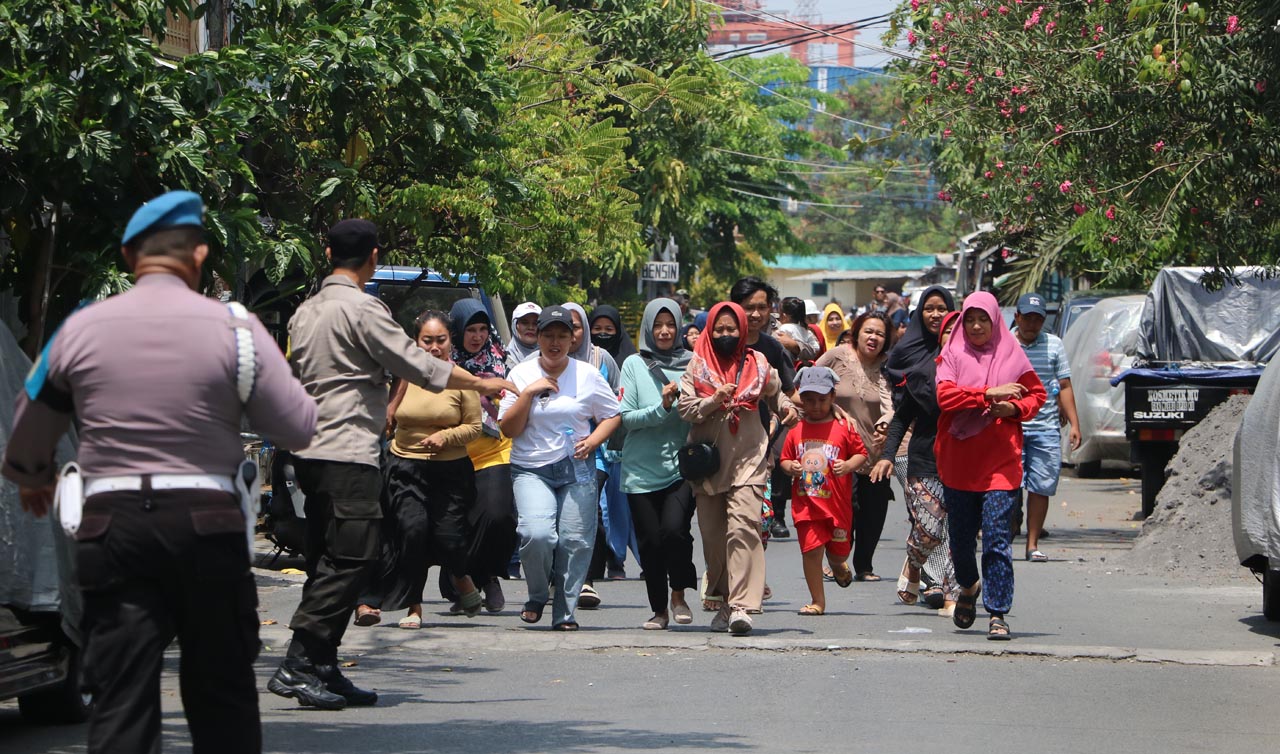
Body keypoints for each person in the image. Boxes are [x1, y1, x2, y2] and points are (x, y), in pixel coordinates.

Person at [2, 190, 317, 752]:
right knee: (222, 699)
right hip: (207, 529)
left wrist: (34, 478)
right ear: (198, 257)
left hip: (111, 531)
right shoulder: (239, 330)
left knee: (122, 701)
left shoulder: (79, 329)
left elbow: (27, 434)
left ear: (128, 257)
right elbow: (296, 427)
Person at [272, 218, 516, 709]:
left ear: (326, 254)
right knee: (355, 556)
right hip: (347, 452)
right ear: (374, 258)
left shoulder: (305, 312)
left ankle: (323, 664)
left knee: (327, 556)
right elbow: (418, 364)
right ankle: (300, 660)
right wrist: (482, 385)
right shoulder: (364, 309)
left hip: (308, 451)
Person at [499, 306, 622, 630]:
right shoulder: (521, 374)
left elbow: (612, 414)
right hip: (531, 468)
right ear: (537, 337)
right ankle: (538, 594)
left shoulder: (587, 374)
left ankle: (564, 613)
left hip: (577, 468)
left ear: (572, 339)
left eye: (562, 336)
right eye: (548, 335)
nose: (555, 342)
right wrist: (528, 393)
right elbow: (508, 429)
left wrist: (594, 441)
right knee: (535, 533)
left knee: (574, 541)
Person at [360, 311, 484, 629]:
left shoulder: (460, 379)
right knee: (411, 532)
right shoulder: (401, 377)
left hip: (451, 472)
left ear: (450, 342)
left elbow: (474, 427)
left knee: (448, 537)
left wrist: (445, 436)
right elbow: (386, 417)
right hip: (404, 467)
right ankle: (413, 606)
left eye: (440, 340)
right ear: (415, 343)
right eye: (426, 341)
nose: (433, 348)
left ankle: (460, 576)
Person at [936, 292, 1046, 640]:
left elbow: (1036, 396)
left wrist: (1014, 409)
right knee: (961, 540)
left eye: (983, 319)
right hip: (959, 464)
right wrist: (987, 394)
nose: (977, 326)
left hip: (1002, 464)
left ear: (996, 320)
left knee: (997, 538)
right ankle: (968, 587)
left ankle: (998, 612)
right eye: (970, 319)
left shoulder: (1012, 353)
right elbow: (945, 397)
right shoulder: (951, 355)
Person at [678, 301, 789, 635]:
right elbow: (685, 409)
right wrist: (713, 400)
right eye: (720, 329)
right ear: (710, 331)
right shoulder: (696, 367)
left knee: (742, 529)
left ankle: (741, 606)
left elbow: (776, 393)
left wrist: (786, 409)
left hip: (749, 459)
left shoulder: (759, 363)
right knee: (713, 540)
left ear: (743, 331)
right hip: (709, 465)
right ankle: (726, 599)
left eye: (732, 329)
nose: (726, 335)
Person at [875, 286, 959, 613]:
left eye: (947, 315)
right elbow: (900, 418)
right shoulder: (919, 369)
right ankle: (919, 565)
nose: (938, 318)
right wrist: (885, 456)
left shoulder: (977, 370)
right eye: (930, 309)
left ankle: (936, 581)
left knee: (951, 528)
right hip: (920, 455)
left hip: (962, 461)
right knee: (929, 526)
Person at [618, 298, 698, 630]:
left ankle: (678, 594)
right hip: (639, 471)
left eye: (670, 324)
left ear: (679, 326)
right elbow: (626, 418)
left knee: (675, 532)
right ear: (648, 328)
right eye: (657, 325)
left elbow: (701, 411)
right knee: (650, 542)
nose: (664, 331)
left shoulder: (694, 363)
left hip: (681, 469)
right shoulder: (634, 365)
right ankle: (659, 610)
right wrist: (662, 408)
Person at [446, 298, 519, 610]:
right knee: (462, 526)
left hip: (495, 450)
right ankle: (473, 579)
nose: (477, 336)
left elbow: (515, 399)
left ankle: (474, 574)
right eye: (470, 330)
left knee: (500, 517)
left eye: (482, 329)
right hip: (455, 452)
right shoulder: (443, 366)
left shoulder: (503, 363)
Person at [780, 367, 869, 615]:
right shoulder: (796, 430)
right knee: (811, 551)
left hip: (837, 506)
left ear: (832, 397)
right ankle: (817, 601)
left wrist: (848, 465)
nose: (815, 406)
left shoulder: (844, 427)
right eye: (809, 400)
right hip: (806, 505)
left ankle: (838, 563)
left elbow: (862, 453)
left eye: (821, 399)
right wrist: (792, 467)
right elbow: (785, 460)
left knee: (839, 550)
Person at [815, 312, 895, 582]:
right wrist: (830, 408)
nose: (873, 338)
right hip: (838, 450)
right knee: (844, 507)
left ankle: (864, 565)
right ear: (857, 332)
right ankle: (838, 559)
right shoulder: (837, 356)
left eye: (880, 334)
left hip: (875, 451)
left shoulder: (890, 366)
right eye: (869, 331)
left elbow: (900, 403)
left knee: (874, 509)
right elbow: (810, 383)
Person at [1012, 293, 1081, 561]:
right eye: (1027, 317)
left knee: (1041, 487)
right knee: (1008, 486)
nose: (1031, 324)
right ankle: (1007, 532)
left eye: (1037, 319)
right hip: (1011, 427)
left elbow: (1064, 385)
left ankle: (1032, 544)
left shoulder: (1054, 345)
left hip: (1045, 428)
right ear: (1017, 317)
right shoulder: (1005, 344)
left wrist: (1074, 423)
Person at [729, 277, 798, 543]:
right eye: (748, 307)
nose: (756, 314)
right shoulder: (716, 343)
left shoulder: (772, 348)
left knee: (760, 520)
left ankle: (749, 577)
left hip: (758, 448)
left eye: (762, 307)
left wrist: (831, 408)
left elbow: (789, 394)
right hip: (720, 447)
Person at [561, 302, 620, 607]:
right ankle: (553, 577)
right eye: (563, 326)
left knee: (588, 512)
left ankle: (586, 579)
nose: (570, 334)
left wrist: (595, 436)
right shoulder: (540, 363)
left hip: (593, 453)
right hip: (550, 453)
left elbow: (615, 406)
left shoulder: (601, 359)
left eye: (576, 326)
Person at [589, 304, 638, 581]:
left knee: (620, 507)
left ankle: (619, 558)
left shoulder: (629, 361)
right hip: (592, 445)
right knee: (599, 506)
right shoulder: (584, 360)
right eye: (597, 330)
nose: (603, 334)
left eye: (609, 330)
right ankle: (604, 556)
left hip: (621, 445)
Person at [775, 295, 820, 364]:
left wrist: (794, 345)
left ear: (784, 316)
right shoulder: (807, 331)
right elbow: (816, 348)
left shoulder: (784, 329)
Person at [506, 301, 542, 371]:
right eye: (525, 323)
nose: (530, 327)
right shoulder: (505, 358)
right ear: (515, 326)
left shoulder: (550, 355)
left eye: (535, 323)